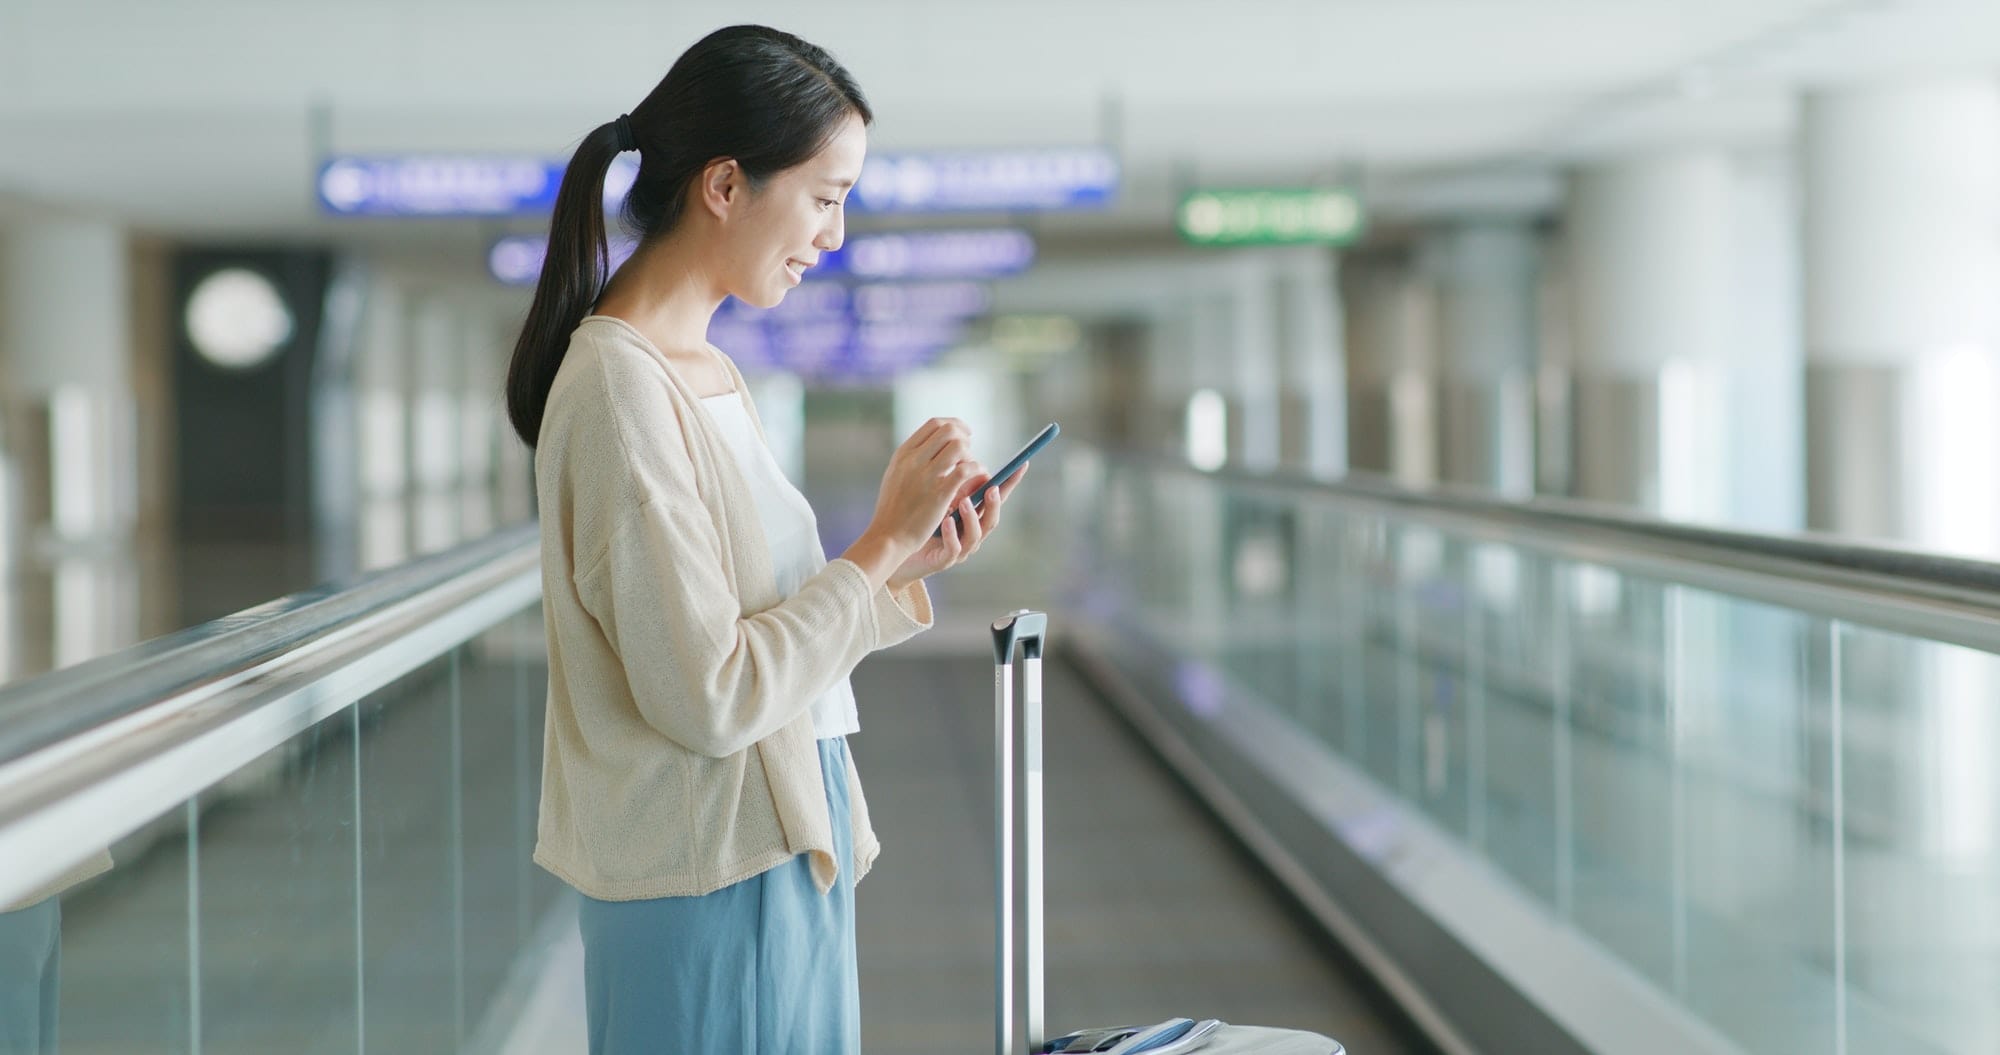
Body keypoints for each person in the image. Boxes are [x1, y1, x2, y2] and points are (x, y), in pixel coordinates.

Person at [502, 24, 1022, 1055]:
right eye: (824, 197)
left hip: (781, 835)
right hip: (707, 865)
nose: (833, 236)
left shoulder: (705, 369)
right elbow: (709, 693)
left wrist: (899, 560)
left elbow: (758, 635)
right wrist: (871, 546)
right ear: (726, 185)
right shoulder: (619, 388)